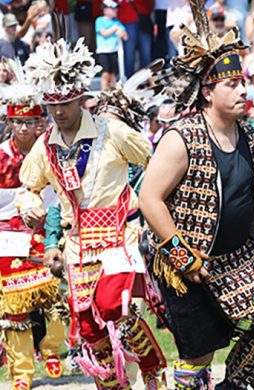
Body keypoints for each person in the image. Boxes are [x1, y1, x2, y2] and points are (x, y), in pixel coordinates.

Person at [139, 3, 254, 387]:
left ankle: (235, 382)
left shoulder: (250, 136)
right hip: (187, 261)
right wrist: (181, 255)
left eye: (243, 82)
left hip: (239, 255)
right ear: (207, 90)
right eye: (233, 84)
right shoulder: (182, 137)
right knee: (198, 354)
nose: (244, 89)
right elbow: (149, 199)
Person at [18, 37, 166, 389]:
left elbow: (155, 160)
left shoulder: (110, 131)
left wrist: (152, 207)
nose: (58, 112)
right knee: (87, 326)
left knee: (116, 307)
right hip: (77, 245)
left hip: (120, 239)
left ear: (80, 98)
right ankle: (113, 386)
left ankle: (152, 370)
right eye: (52, 105)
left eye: (65, 103)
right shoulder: (44, 146)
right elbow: (29, 187)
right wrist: (30, 206)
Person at [0, 60, 67, 390]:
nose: (24, 128)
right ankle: (22, 372)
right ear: (10, 122)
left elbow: (59, 201)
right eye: (18, 122)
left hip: (46, 231)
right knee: (14, 307)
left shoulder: (51, 154)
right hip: (6, 238)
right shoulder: (0, 156)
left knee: (54, 294)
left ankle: (53, 348)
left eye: (30, 122)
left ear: (41, 123)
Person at [95, 0, 128, 91]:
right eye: (113, 8)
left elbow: (125, 36)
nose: (116, 10)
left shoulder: (117, 22)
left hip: (114, 51)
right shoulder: (99, 20)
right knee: (106, 73)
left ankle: (112, 93)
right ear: (105, 10)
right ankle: (103, 92)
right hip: (103, 51)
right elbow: (104, 33)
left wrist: (122, 32)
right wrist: (115, 29)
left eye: (116, 8)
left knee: (113, 74)